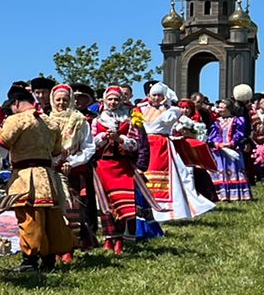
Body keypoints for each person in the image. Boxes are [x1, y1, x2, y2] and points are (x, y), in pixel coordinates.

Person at [0, 85, 77, 270]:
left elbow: (1, 143)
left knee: (29, 217)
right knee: (50, 218)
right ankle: (49, 259)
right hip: (48, 176)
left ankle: (29, 260)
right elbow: (57, 151)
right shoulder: (50, 122)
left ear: (16, 103)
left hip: (25, 176)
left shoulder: (17, 120)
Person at [138, 83, 214, 222]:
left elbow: (193, 127)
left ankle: (167, 210)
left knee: (164, 176)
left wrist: (191, 133)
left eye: (159, 95)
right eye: (154, 95)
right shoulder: (142, 109)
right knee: (145, 175)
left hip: (162, 145)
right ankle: (147, 206)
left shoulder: (173, 110)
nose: (156, 98)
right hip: (145, 144)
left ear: (165, 96)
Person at [90, 86, 143, 252]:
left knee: (122, 203)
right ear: (104, 100)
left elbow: (135, 144)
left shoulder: (129, 120)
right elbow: (91, 144)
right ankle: (108, 238)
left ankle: (119, 239)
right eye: (110, 99)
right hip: (103, 166)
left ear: (121, 101)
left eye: (116, 99)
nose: (113, 102)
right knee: (106, 205)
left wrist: (120, 139)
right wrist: (103, 138)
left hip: (122, 166)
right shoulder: (97, 121)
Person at [47, 84, 96, 251]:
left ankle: (71, 247)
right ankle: (58, 246)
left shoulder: (80, 121)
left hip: (73, 169)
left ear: (71, 100)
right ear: (52, 101)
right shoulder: (46, 120)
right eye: (58, 100)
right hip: (51, 169)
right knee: (54, 209)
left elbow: (88, 147)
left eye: (65, 100)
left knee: (73, 209)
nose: (61, 103)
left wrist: (72, 162)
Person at [207, 103, 254, 202]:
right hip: (219, 150)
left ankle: (236, 194)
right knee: (220, 171)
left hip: (233, 149)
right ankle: (221, 195)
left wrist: (232, 143)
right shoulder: (216, 121)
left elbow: (239, 133)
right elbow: (212, 135)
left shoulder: (237, 120)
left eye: (222, 107)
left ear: (229, 109)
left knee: (234, 170)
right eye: (219, 107)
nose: (219, 109)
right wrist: (217, 143)